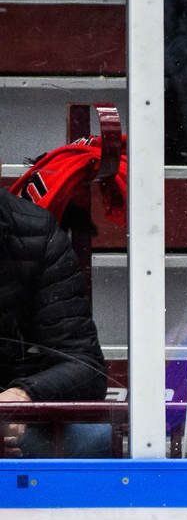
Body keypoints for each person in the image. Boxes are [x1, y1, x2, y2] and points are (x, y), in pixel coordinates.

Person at [0, 191, 110, 458]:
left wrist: (19, 398)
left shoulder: (36, 230)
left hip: (10, 418)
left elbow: (85, 366)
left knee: (92, 438)